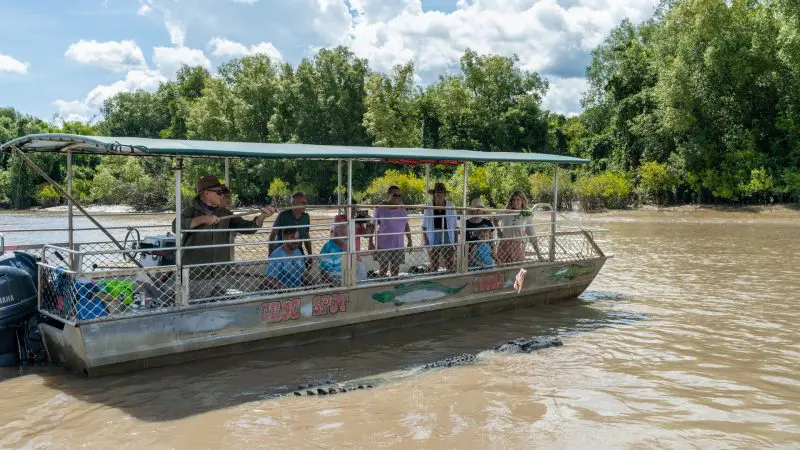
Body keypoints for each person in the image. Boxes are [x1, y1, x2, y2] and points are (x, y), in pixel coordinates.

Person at [173, 175, 276, 298]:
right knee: (198, 310)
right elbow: (175, 227)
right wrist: (203, 219)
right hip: (197, 275)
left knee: (220, 308)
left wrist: (262, 216)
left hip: (221, 273)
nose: (222, 196)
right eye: (219, 192)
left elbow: (248, 228)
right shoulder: (190, 211)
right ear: (206, 193)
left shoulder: (224, 212)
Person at [371, 185, 412, 277]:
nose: (397, 197)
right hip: (383, 245)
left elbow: (406, 224)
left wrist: (410, 240)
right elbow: (373, 225)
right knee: (383, 268)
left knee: (395, 269)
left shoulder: (402, 207)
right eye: (394, 195)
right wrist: (370, 241)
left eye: (399, 195)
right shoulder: (380, 207)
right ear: (388, 195)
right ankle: (380, 286)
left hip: (398, 244)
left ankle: (394, 287)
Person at [497, 190, 543, 263]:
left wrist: (539, 255)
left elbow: (532, 235)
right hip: (503, 246)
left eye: (518, 200)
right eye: (513, 200)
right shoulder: (507, 211)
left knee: (517, 269)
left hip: (517, 246)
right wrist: (498, 231)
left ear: (522, 201)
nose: (515, 202)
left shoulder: (526, 214)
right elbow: (494, 218)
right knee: (501, 271)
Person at [422, 182, 458, 271]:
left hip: (447, 235)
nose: (439, 194)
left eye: (441, 192)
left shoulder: (450, 205)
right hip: (433, 235)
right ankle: (434, 279)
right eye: (437, 192)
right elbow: (424, 226)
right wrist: (426, 240)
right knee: (434, 262)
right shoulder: (429, 206)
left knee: (449, 261)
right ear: (434, 193)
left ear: (444, 194)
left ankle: (450, 278)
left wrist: (456, 241)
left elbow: (455, 226)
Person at [319, 218, 367, 283]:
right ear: (333, 233)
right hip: (334, 277)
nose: (345, 237)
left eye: (346, 236)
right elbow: (324, 271)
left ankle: (360, 284)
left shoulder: (342, 246)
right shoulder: (329, 248)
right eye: (342, 234)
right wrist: (334, 281)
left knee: (360, 266)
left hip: (343, 273)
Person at [269, 192, 312, 257]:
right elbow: (272, 235)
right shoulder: (283, 215)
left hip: (297, 250)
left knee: (306, 265)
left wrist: (310, 255)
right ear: (293, 204)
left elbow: (306, 236)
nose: (305, 204)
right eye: (302, 203)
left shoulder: (305, 217)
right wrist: (271, 254)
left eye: (305, 202)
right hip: (282, 250)